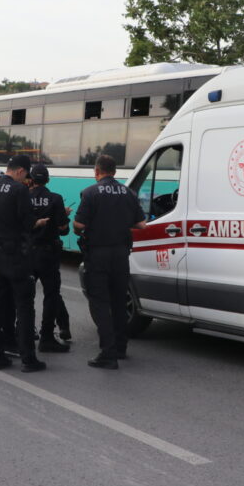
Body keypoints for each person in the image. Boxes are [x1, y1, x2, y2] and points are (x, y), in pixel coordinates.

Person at [73, 155, 147, 370]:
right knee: (118, 302)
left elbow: (79, 225)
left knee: (100, 304)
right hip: (121, 255)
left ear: (97, 171)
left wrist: (80, 228)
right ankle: (121, 348)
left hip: (98, 255)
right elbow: (141, 225)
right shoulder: (129, 193)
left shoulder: (90, 192)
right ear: (114, 171)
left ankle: (108, 353)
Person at [0, 154, 45, 372]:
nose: (26, 180)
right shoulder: (19, 190)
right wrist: (39, 222)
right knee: (24, 307)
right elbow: (28, 222)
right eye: (26, 175)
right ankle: (28, 359)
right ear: (21, 171)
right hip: (15, 257)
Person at [28, 164, 72, 351]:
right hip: (48, 254)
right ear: (47, 180)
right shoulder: (55, 198)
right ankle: (47, 336)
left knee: (26, 295)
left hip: (27, 253)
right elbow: (63, 229)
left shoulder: (23, 197)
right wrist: (64, 216)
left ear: (31, 179)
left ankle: (26, 332)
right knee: (51, 294)